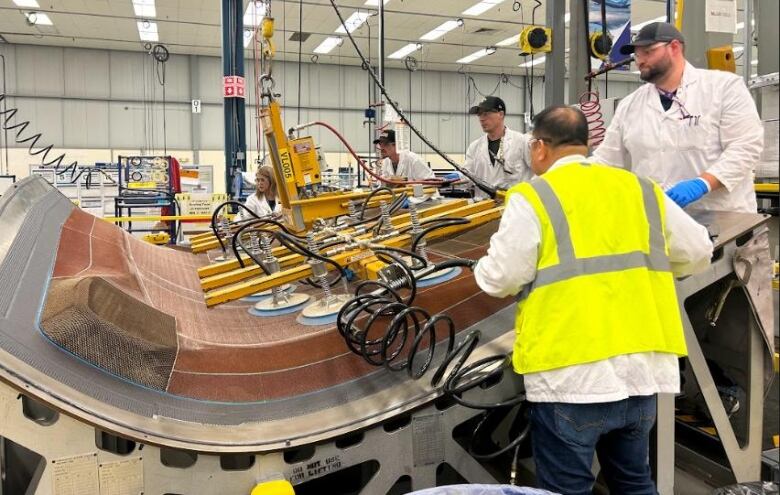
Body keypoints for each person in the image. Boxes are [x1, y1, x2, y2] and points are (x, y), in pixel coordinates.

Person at [473, 106, 713, 495]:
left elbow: (502, 278)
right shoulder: (640, 188)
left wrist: (479, 268)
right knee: (634, 484)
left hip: (569, 375)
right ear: (586, 144)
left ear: (538, 148)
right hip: (641, 371)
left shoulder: (534, 196)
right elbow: (699, 251)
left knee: (567, 490)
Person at [593, 22, 764, 213]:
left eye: (648, 52)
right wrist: (566, 171)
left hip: (724, 221)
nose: (640, 60)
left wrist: (703, 183)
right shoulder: (630, 105)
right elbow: (606, 160)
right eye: (637, 54)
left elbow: (746, 147)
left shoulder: (723, 88)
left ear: (674, 47)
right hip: (660, 222)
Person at [463, 96, 533, 200]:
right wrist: (449, 180)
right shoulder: (474, 147)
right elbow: (467, 179)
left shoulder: (522, 142)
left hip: (514, 206)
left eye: (486, 114)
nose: (481, 118)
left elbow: (539, 173)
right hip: (483, 209)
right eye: (479, 114)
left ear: (501, 114)